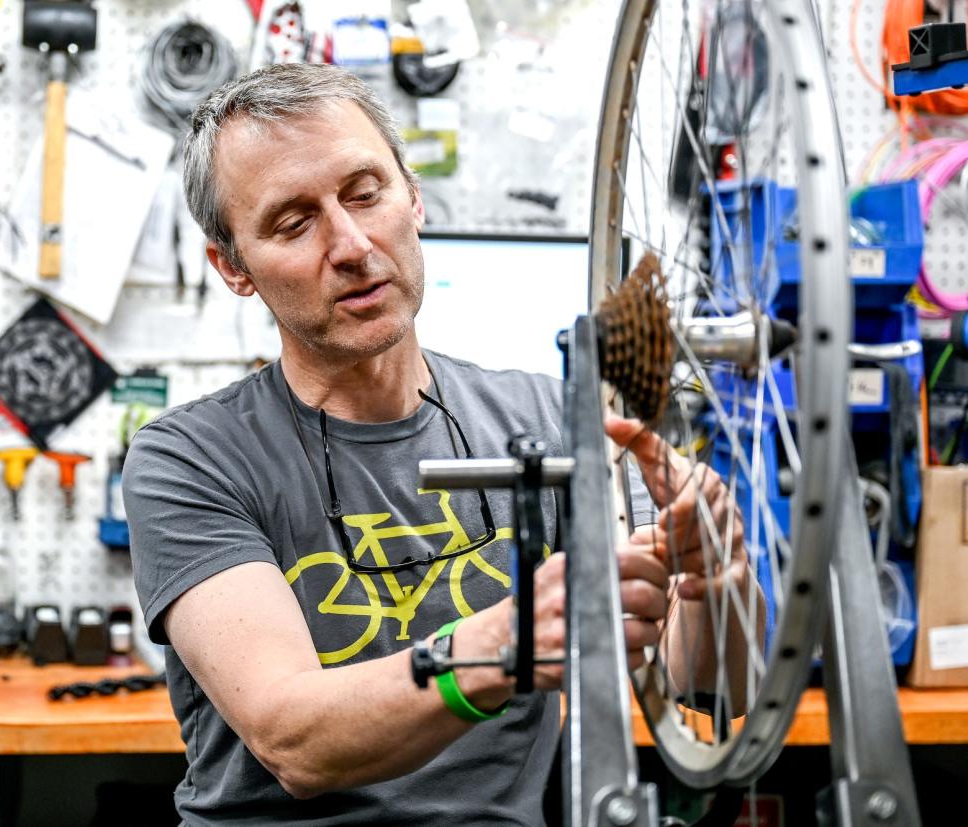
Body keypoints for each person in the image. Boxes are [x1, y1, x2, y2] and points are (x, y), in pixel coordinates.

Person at [124, 62, 762, 825]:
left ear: (414, 196)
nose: (353, 244)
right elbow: (293, 741)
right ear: (232, 266)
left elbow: (711, 683)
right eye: (294, 223)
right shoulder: (189, 458)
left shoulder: (548, 416)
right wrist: (502, 641)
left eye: (366, 193)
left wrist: (714, 578)